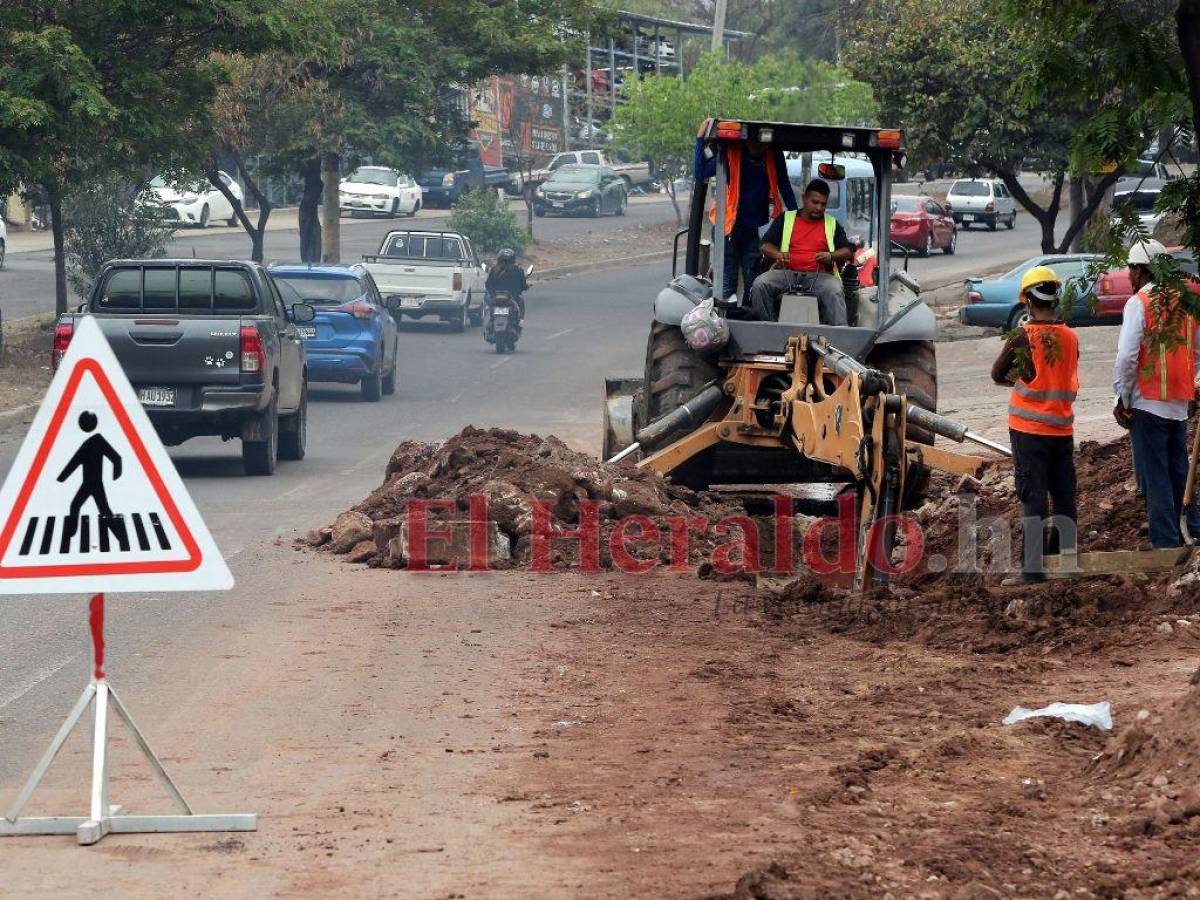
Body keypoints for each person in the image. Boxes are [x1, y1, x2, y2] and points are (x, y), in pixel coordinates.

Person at [991, 265, 1079, 582]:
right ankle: (1064, 563)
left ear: (1027, 300)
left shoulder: (1023, 337)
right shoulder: (1069, 337)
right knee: (1065, 496)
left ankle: (1032, 571)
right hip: (1062, 429)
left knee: (1034, 499)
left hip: (1029, 433)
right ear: (1055, 297)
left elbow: (998, 374)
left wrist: (1020, 378)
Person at [1113, 238, 1200, 548]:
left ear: (1139, 270)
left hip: (1147, 402)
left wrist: (1122, 399)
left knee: (1156, 475)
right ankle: (1192, 531)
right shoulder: (1185, 301)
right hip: (1178, 402)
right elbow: (1197, 351)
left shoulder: (1140, 302)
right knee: (1179, 470)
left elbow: (1126, 357)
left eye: (1131, 269)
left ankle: (1165, 542)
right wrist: (1192, 386)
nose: (1129, 275)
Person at [695, 128, 797, 305]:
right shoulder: (731, 153)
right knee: (727, 285)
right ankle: (726, 320)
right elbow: (700, 172)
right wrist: (699, 140)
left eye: (764, 142)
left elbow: (784, 186)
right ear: (746, 140)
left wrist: (797, 217)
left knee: (753, 280)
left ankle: (750, 317)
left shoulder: (773, 155)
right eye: (755, 140)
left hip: (750, 228)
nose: (760, 145)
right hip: (727, 227)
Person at [747, 179, 854, 324]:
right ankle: (768, 326)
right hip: (786, 273)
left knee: (835, 290)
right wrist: (778, 254)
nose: (819, 207)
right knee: (760, 284)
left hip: (819, 277)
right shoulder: (786, 219)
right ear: (804, 198)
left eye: (823, 204)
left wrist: (830, 255)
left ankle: (838, 336)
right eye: (814, 202)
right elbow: (765, 245)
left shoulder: (832, 223)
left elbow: (847, 250)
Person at [486, 247, 528, 318]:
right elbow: (523, 284)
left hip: (496, 297)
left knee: (489, 302)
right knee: (521, 301)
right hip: (512, 297)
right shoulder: (518, 269)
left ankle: (491, 320)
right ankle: (521, 320)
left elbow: (488, 284)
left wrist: (492, 293)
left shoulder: (494, 269)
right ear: (513, 259)